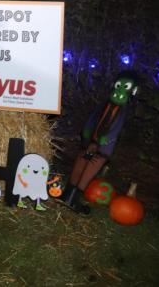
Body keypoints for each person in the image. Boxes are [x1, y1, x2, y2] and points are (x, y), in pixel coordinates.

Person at [61, 70, 139, 214]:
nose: (120, 90)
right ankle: (68, 195)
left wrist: (99, 142)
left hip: (102, 147)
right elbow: (93, 120)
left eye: (126, 87)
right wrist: (88, 137)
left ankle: (73, 197)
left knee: (88, 169)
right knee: (81, 165)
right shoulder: (104, 106)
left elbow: (114, 130)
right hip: (90, 141)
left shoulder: (122, 111)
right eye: (119, 85)